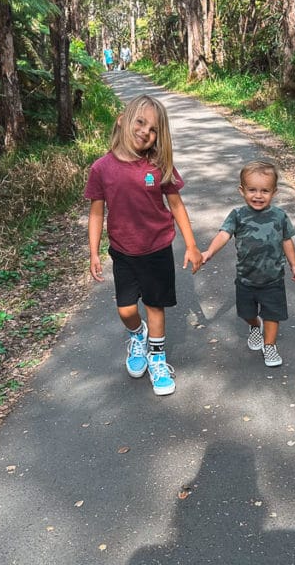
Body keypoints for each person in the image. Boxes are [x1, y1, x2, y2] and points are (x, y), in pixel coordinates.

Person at [85, 95, 203, 395]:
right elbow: (97, 211)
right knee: (126, 310)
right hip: (123, 252)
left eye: (153, 129)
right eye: (140, 122)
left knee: (155, 305)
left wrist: (191, 245)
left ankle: (158, 358)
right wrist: (94, 252)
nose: (145, 132)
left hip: (157, 249)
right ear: (123, 119)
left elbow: (176, 205)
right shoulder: (101, 168)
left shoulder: (157, 165)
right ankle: (138, 336)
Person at [201, 160, 295, 367]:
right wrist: (210, 251)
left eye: (265, 190)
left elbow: (286, 240)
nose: (258, 195)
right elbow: (224, 234)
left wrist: (293, 264)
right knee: (247, 314)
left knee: (272, 315)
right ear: (242, 190)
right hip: (246, 279)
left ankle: (270, 346)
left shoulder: (279, 216)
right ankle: (255, 327)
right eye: (252, 190)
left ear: (274, 192)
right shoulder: (238, 216)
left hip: (273, 279)